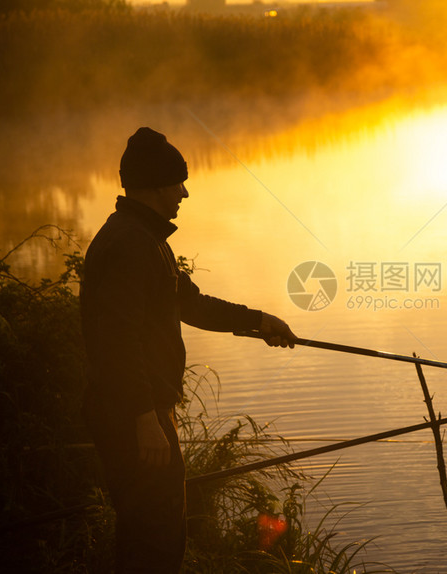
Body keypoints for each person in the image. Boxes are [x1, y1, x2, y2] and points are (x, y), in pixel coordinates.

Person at [80, 126, 296, 573]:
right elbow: (116, 339)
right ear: (157, 184)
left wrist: (258, 321)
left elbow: (190, 304)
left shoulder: (143, 237)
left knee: (149, 536)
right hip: (135, 415)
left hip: (142, 411)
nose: (185, 192)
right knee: (156, 543)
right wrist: (145, 417)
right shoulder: (132, 244)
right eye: (178, 182)